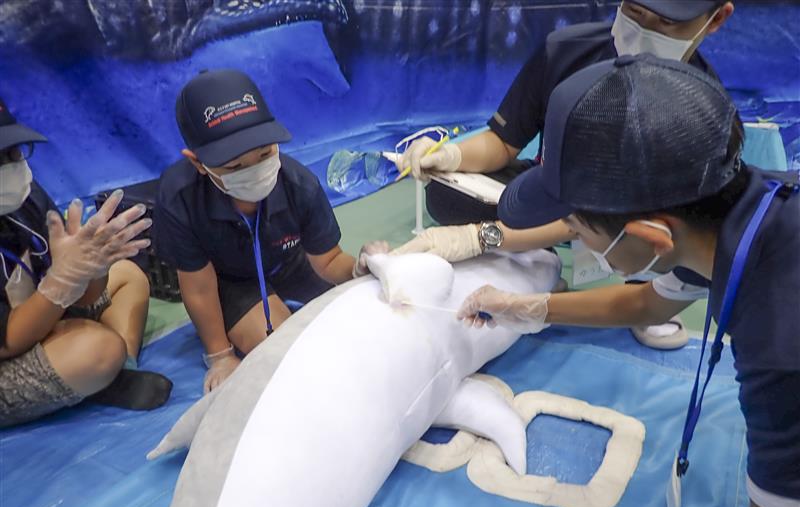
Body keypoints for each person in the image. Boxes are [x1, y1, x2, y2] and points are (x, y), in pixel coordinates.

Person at [457, 54, 799, 507]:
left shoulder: (782, 337)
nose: (569, 236)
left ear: (652, 236)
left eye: (574, 227)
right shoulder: (732, 208)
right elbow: (642, 306)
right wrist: (529, 306)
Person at [393, 0, 735, 351]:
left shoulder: (700, 117)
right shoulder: (566, 52)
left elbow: (592, 228)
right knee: (448, 194)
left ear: (716, 18)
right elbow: (507, 144)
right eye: (634, 11)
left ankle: (622, 270)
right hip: (564, 193)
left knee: (635, 262)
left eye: (665, 21)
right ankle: (543, 255)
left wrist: (483, 238)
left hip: (623, 219)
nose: (644, 31)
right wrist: (452, 155)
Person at [155, 69, 384, 394]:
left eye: (264, 154)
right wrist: (220, 355)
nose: (254, 170)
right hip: (232, 282)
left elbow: (328, 260)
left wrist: (359, 268)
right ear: (197, 163)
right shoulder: (181, 198)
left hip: (291, 262)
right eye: (234, 167)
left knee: (364, 324)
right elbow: (199, 286)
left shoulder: (298, 184)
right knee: (286, 353)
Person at [0, 98, 171, 427]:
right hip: (9, 343)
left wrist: (92, 268)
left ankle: (113, 373)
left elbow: (86, 297)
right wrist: (61, 283)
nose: (12, 166)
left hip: (36, 314)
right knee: (97, 348)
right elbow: (8, 343)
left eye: (15, 152)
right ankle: (97, 371)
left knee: (128, 276)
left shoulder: (26, 197)